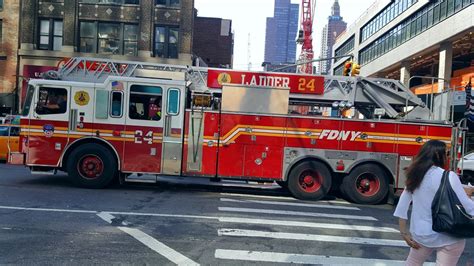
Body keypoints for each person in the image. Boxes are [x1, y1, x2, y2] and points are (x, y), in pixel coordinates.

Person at [393, 140, 474, 265]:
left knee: (412, 263)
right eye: (446, 153)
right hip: (448, 234)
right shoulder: (449, 176)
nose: (448, 156)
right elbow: (467, 206)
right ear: (438, 155)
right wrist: (469, 196)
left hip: (422, 234)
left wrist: (404, 232)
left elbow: (403, 205)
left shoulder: (415, 175)